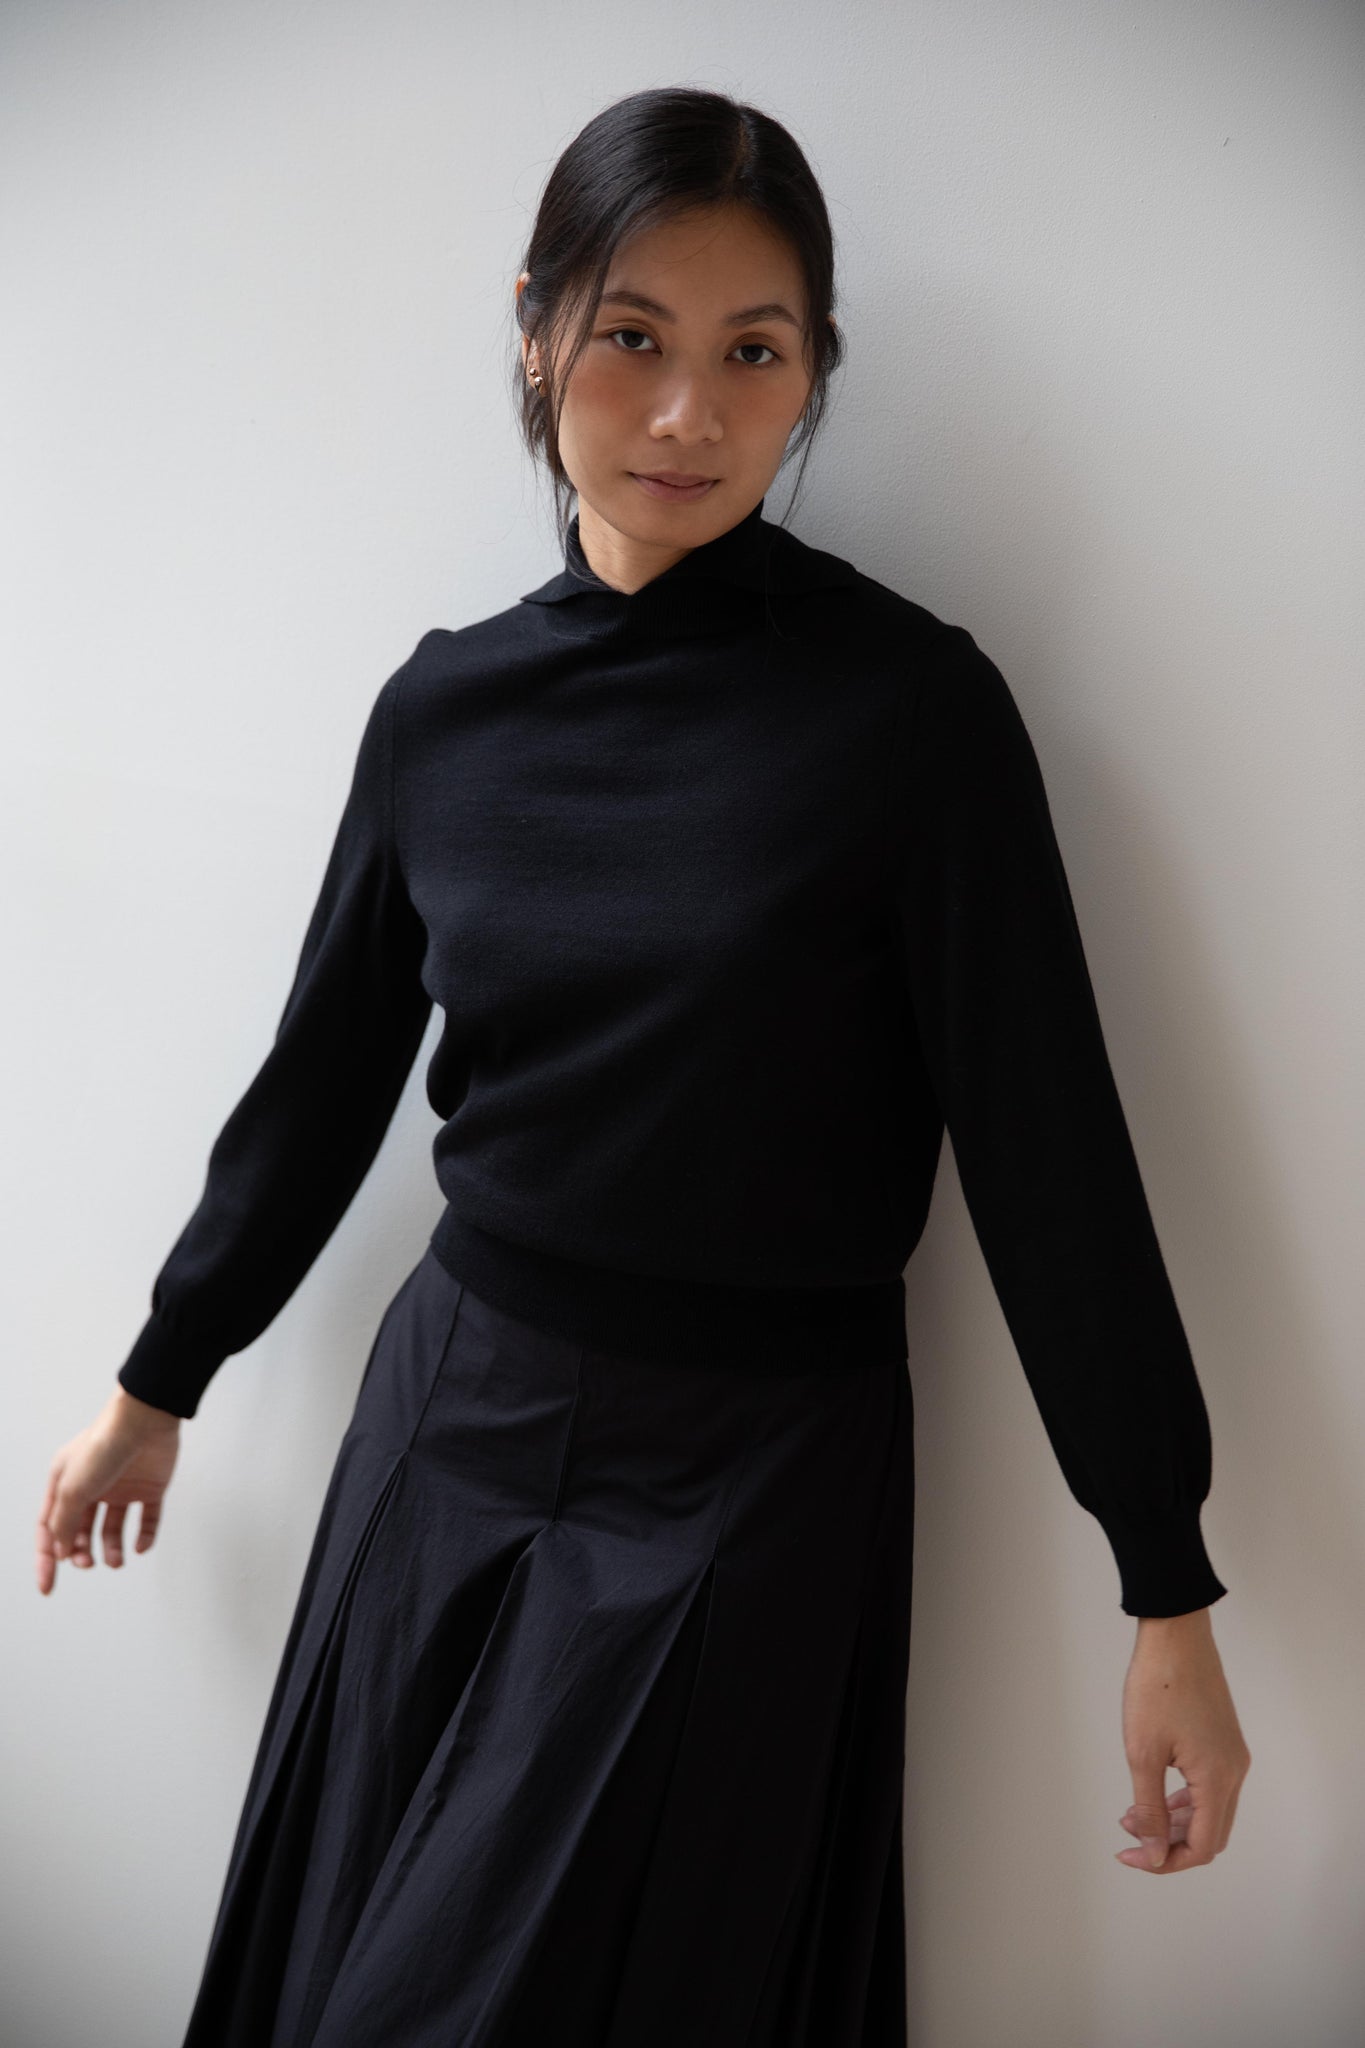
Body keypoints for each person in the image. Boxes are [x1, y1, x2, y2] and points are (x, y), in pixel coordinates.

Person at [35, 83, 1249, 2048]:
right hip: (452, 1427)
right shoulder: (444, 711)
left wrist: (1162, 1586)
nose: (687, 413)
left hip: (757, 1479)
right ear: (534, 333)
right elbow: (322, 1084)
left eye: (751, 353)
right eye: (630, 337)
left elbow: (1050, 1163)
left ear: (811, 373)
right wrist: (157, 1377)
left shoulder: (912, 716)